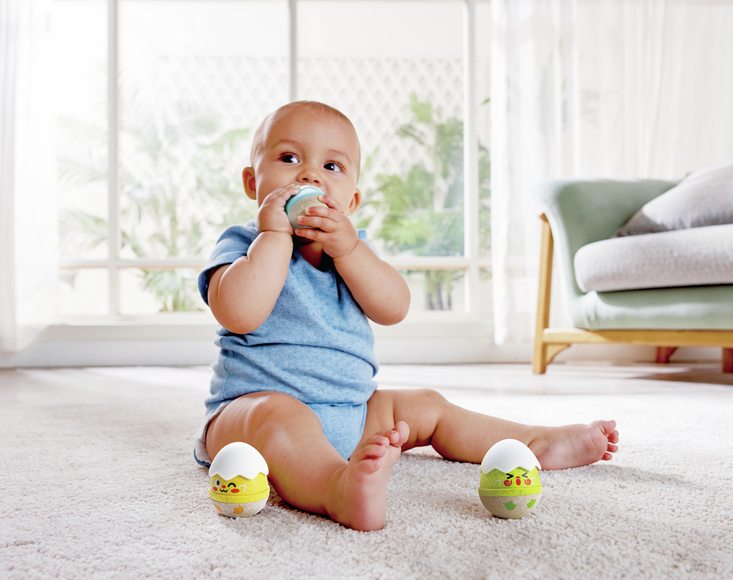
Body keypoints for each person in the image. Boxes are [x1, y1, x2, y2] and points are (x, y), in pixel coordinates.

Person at [195, 100, 618, 531]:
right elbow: (240, 313)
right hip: (249, 416)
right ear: (252, 182)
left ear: (351, 201)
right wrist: (273, 235)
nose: (310, 176)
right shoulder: (243, 244)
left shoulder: (352, 251)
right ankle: (335, 488)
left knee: (426, 405)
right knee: (278, 414)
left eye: (332, 167)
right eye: (289, 159)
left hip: (353, 411)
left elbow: (394, 307)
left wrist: (349, 250)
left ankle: (532, 443)